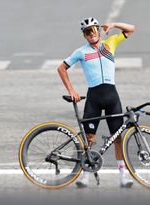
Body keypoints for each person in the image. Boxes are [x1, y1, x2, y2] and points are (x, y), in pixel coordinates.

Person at [57, 17, 135, 188]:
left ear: (98, 30)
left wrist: (113, 24)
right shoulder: (81, 52)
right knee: (89, 138)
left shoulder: (110, 43)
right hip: (94, 98)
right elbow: (61, 68)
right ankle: (85, 175)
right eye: (87, 32)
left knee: (117, 138)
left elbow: (131, 29)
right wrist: (71, 90)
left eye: (94, 30)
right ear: (84, 36)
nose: (91, 34)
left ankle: (123, 176)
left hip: (111, 97)